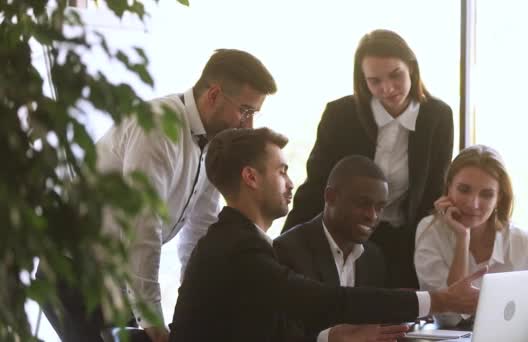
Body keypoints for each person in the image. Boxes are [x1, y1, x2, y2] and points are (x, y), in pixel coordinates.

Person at [39, 49, 277, 342]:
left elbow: (199, 230)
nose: (249, 125)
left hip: (116, 277)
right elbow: (142, 227)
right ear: (214, 94)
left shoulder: (215, 143)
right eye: (245, 110)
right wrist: (152, 318)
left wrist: (195, 302)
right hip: (73, 271)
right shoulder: (158, 127)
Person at [170, 127, 485, 342]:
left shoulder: (237, 240)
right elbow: (322, 300)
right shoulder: (238, 248)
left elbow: (276, 331)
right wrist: (440, 299)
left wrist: (330, 337)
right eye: (281, 171)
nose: (291, 184)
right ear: (251, 177)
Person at [282, 29, 454, 289]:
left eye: (395, 75)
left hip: (405, 240)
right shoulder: (341, 115)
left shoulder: (437, 116)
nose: (387, 88)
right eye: (374, 80)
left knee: (396, 321)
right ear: (363, 81)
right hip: (344, 237)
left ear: (412, 68)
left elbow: (433, 190)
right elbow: (318, 184)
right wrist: (284, 246)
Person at [414, 144, 528, 328]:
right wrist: (463, 237)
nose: (473, 204)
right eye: (464, 190)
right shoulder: (430, 232)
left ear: (500, 199)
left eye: (487, 194)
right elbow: (449, 316)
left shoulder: (523, 243)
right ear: (449, 189)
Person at [275, 155, 405, 341]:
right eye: (363, 204)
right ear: (331, 197)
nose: (373, 216)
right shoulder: (288, 250)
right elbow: (282, 334)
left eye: (380, 207)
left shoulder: (373, 257)